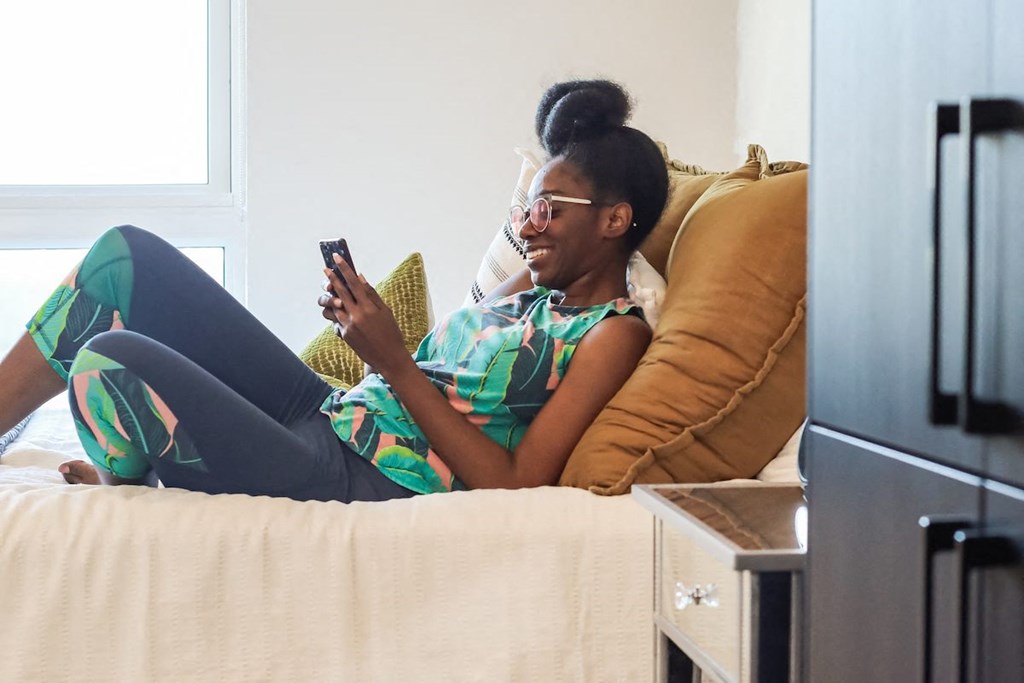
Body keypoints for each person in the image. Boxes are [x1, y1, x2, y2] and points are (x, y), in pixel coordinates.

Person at [0, 79, 669, 502]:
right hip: (332, 413)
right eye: (526, 206)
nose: (526, 224)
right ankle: (130, 463)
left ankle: (134, 477)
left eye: (547, 206)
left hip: (351, 476)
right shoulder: (535, 284)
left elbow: (517, 481)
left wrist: (393, 362)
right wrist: (365, 324)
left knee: (109, 359)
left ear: (614, 220)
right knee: (126, 257)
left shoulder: (614, 332)